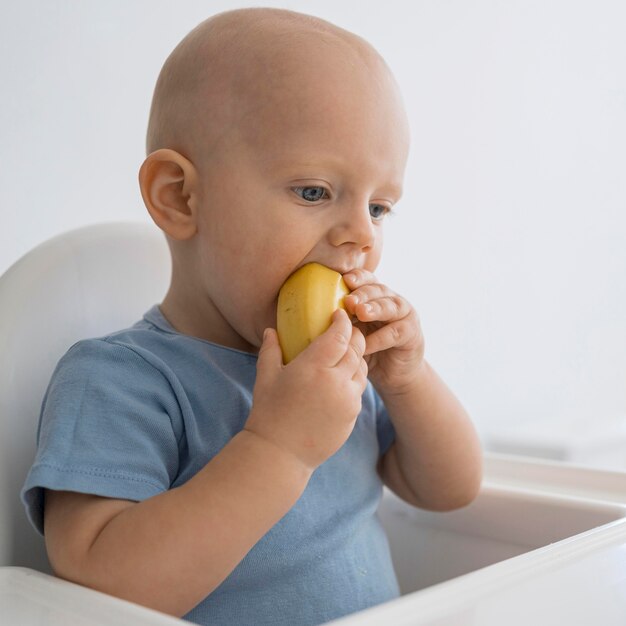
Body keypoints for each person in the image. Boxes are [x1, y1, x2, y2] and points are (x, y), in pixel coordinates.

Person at [21, 7, 482, 625]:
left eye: (379, 207)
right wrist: (279, 448)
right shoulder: (121, 380)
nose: (359, 236)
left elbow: (449, 490)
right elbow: (103, 584)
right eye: (314, 192)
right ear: (180, 196)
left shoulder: (341, 365)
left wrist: (408, 381)